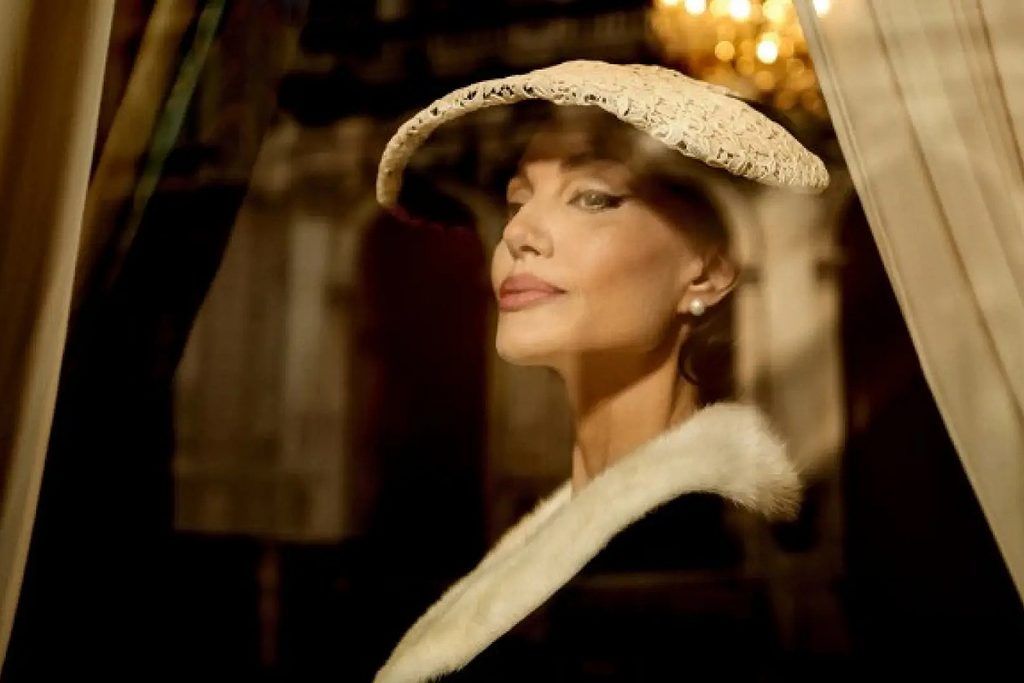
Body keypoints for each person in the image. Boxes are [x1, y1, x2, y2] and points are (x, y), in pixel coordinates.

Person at [372, 60, 828, 682]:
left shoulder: (662, 569)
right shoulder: (586, 536)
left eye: (592, 198)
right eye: (516, 200)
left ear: (708, 273)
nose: (520, 234)